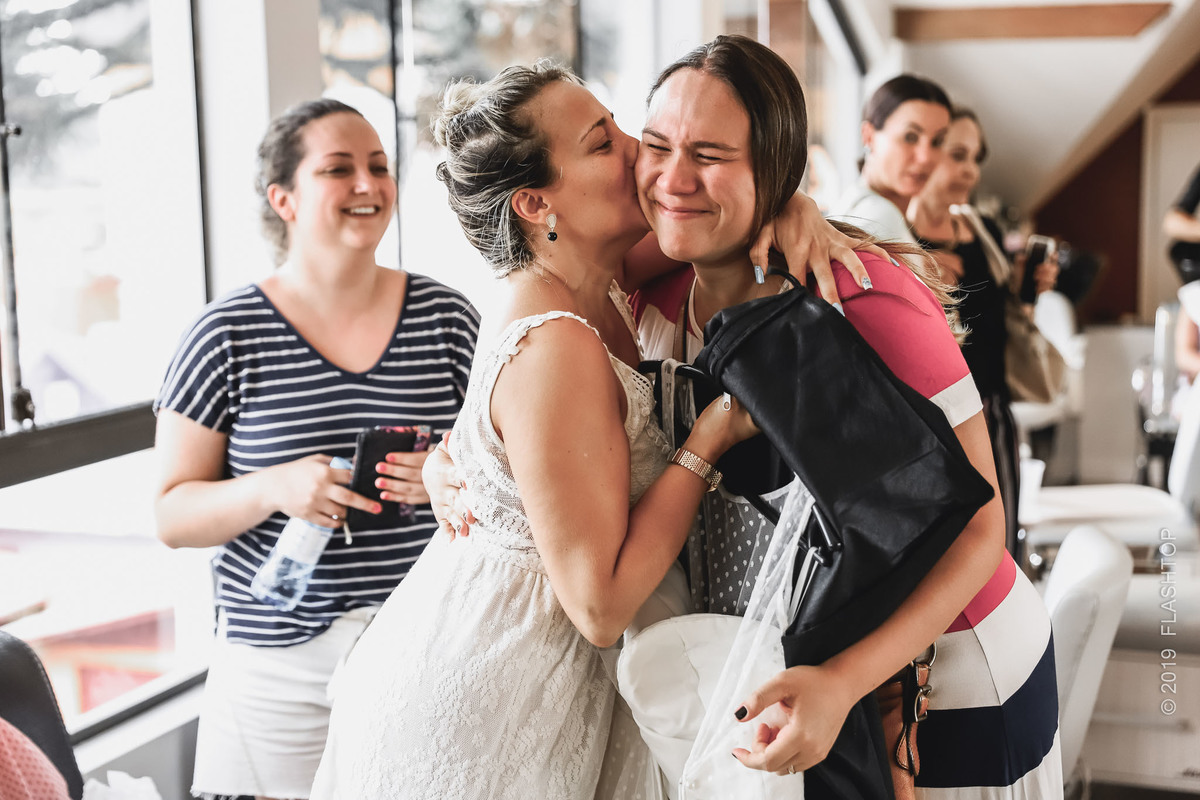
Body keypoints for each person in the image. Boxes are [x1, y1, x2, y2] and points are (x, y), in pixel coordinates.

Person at [433, 36, 1063, 798]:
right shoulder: (648, 292)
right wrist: (457, 459)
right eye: (655, 143)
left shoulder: (858, 297)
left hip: (948, 669)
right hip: (792, 681)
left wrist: (842, 683)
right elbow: (533, 362)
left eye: (711, 154)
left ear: (775, 166)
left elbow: (979, 527)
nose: (670, 177)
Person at [308, 62, 771, 800]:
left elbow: (728, 215)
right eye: (601, 143)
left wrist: (798, 211)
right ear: (535, 202)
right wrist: (709, 441)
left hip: (527, 674)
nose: (635, 147)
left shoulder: (595, 275)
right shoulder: (555, 342)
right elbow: (600, 604)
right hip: (486, 707)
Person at [153, 99, 480, 800]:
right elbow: (172, 516)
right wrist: (273, 489)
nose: (368, 185)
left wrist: (448, 474)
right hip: (276, 662)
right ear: (284, 199)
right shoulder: (224, 334)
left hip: (424, 641)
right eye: (339, 169)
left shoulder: (447, 318)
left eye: (379, 167)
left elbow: (508, 467)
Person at [908, 107, 1058, 560]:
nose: (971, 170)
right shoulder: (900, 237)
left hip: (991, 413)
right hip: (931, 423)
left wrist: (1028, 291)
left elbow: (996, 320)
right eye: (958, 154)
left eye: (975, 157)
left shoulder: (982, 229)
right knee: (944, 553)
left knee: (1000, 544)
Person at [831, 74, 952, 244]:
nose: (925, 157)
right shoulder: (877, 218)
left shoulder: (857, 206)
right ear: (869, 136)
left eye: (937, 141)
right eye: (910, 137)